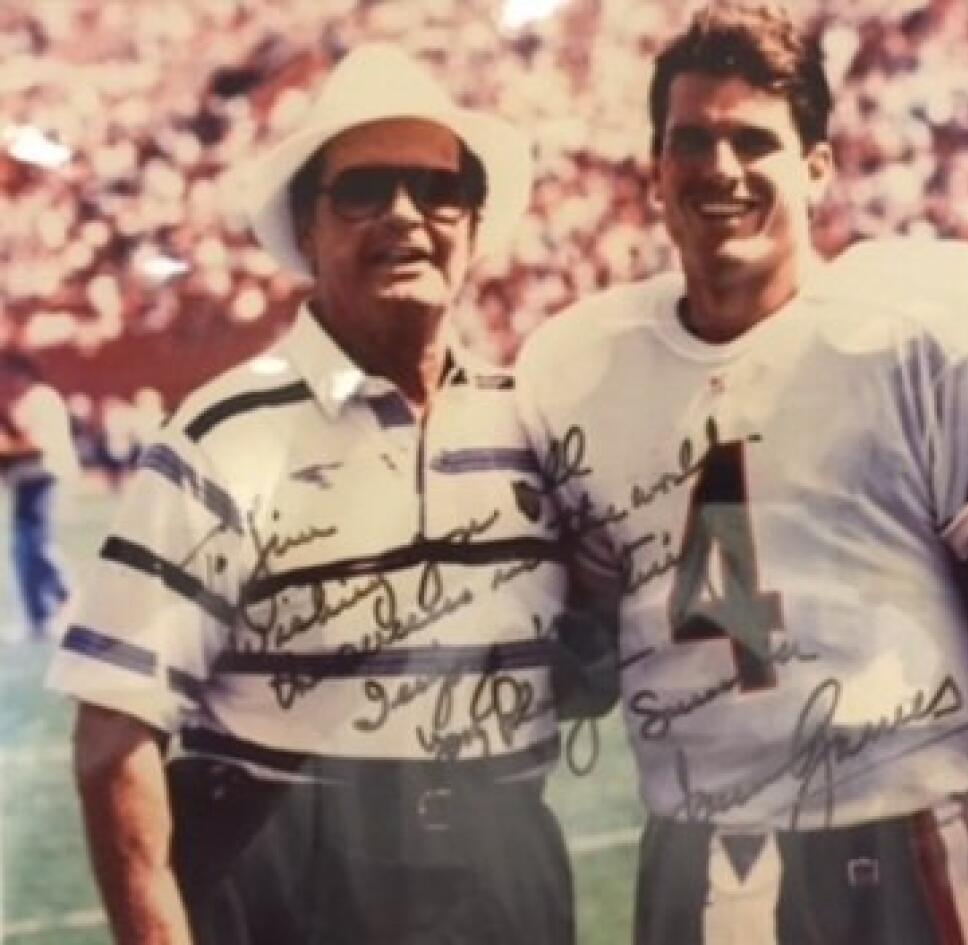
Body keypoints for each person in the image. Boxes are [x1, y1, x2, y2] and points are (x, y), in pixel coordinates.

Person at [515, 3, 968, 944]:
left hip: (894, 846)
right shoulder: (579, 367)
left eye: (755, 142)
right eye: (693, 141)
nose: (720, 168)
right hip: (688, 855)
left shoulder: (921, 339)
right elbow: (584, 650)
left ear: (816, 167)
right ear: (655, 169)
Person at [47, 44, 575, 945]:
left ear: (473, 223)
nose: (406, 214)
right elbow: (112, 742)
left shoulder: (533, 424)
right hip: (292, 881)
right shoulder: (223, 436)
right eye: (366, 188)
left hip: (504, 872)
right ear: (309, 226)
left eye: (435, 187)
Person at [0, 351, 78, 640]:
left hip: (43, 478)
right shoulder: (16, 403)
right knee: (26, 550)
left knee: (33, 547)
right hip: (23, 481)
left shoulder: (42, 398)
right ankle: (47, 610)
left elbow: (37, 446)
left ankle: (58, 603)